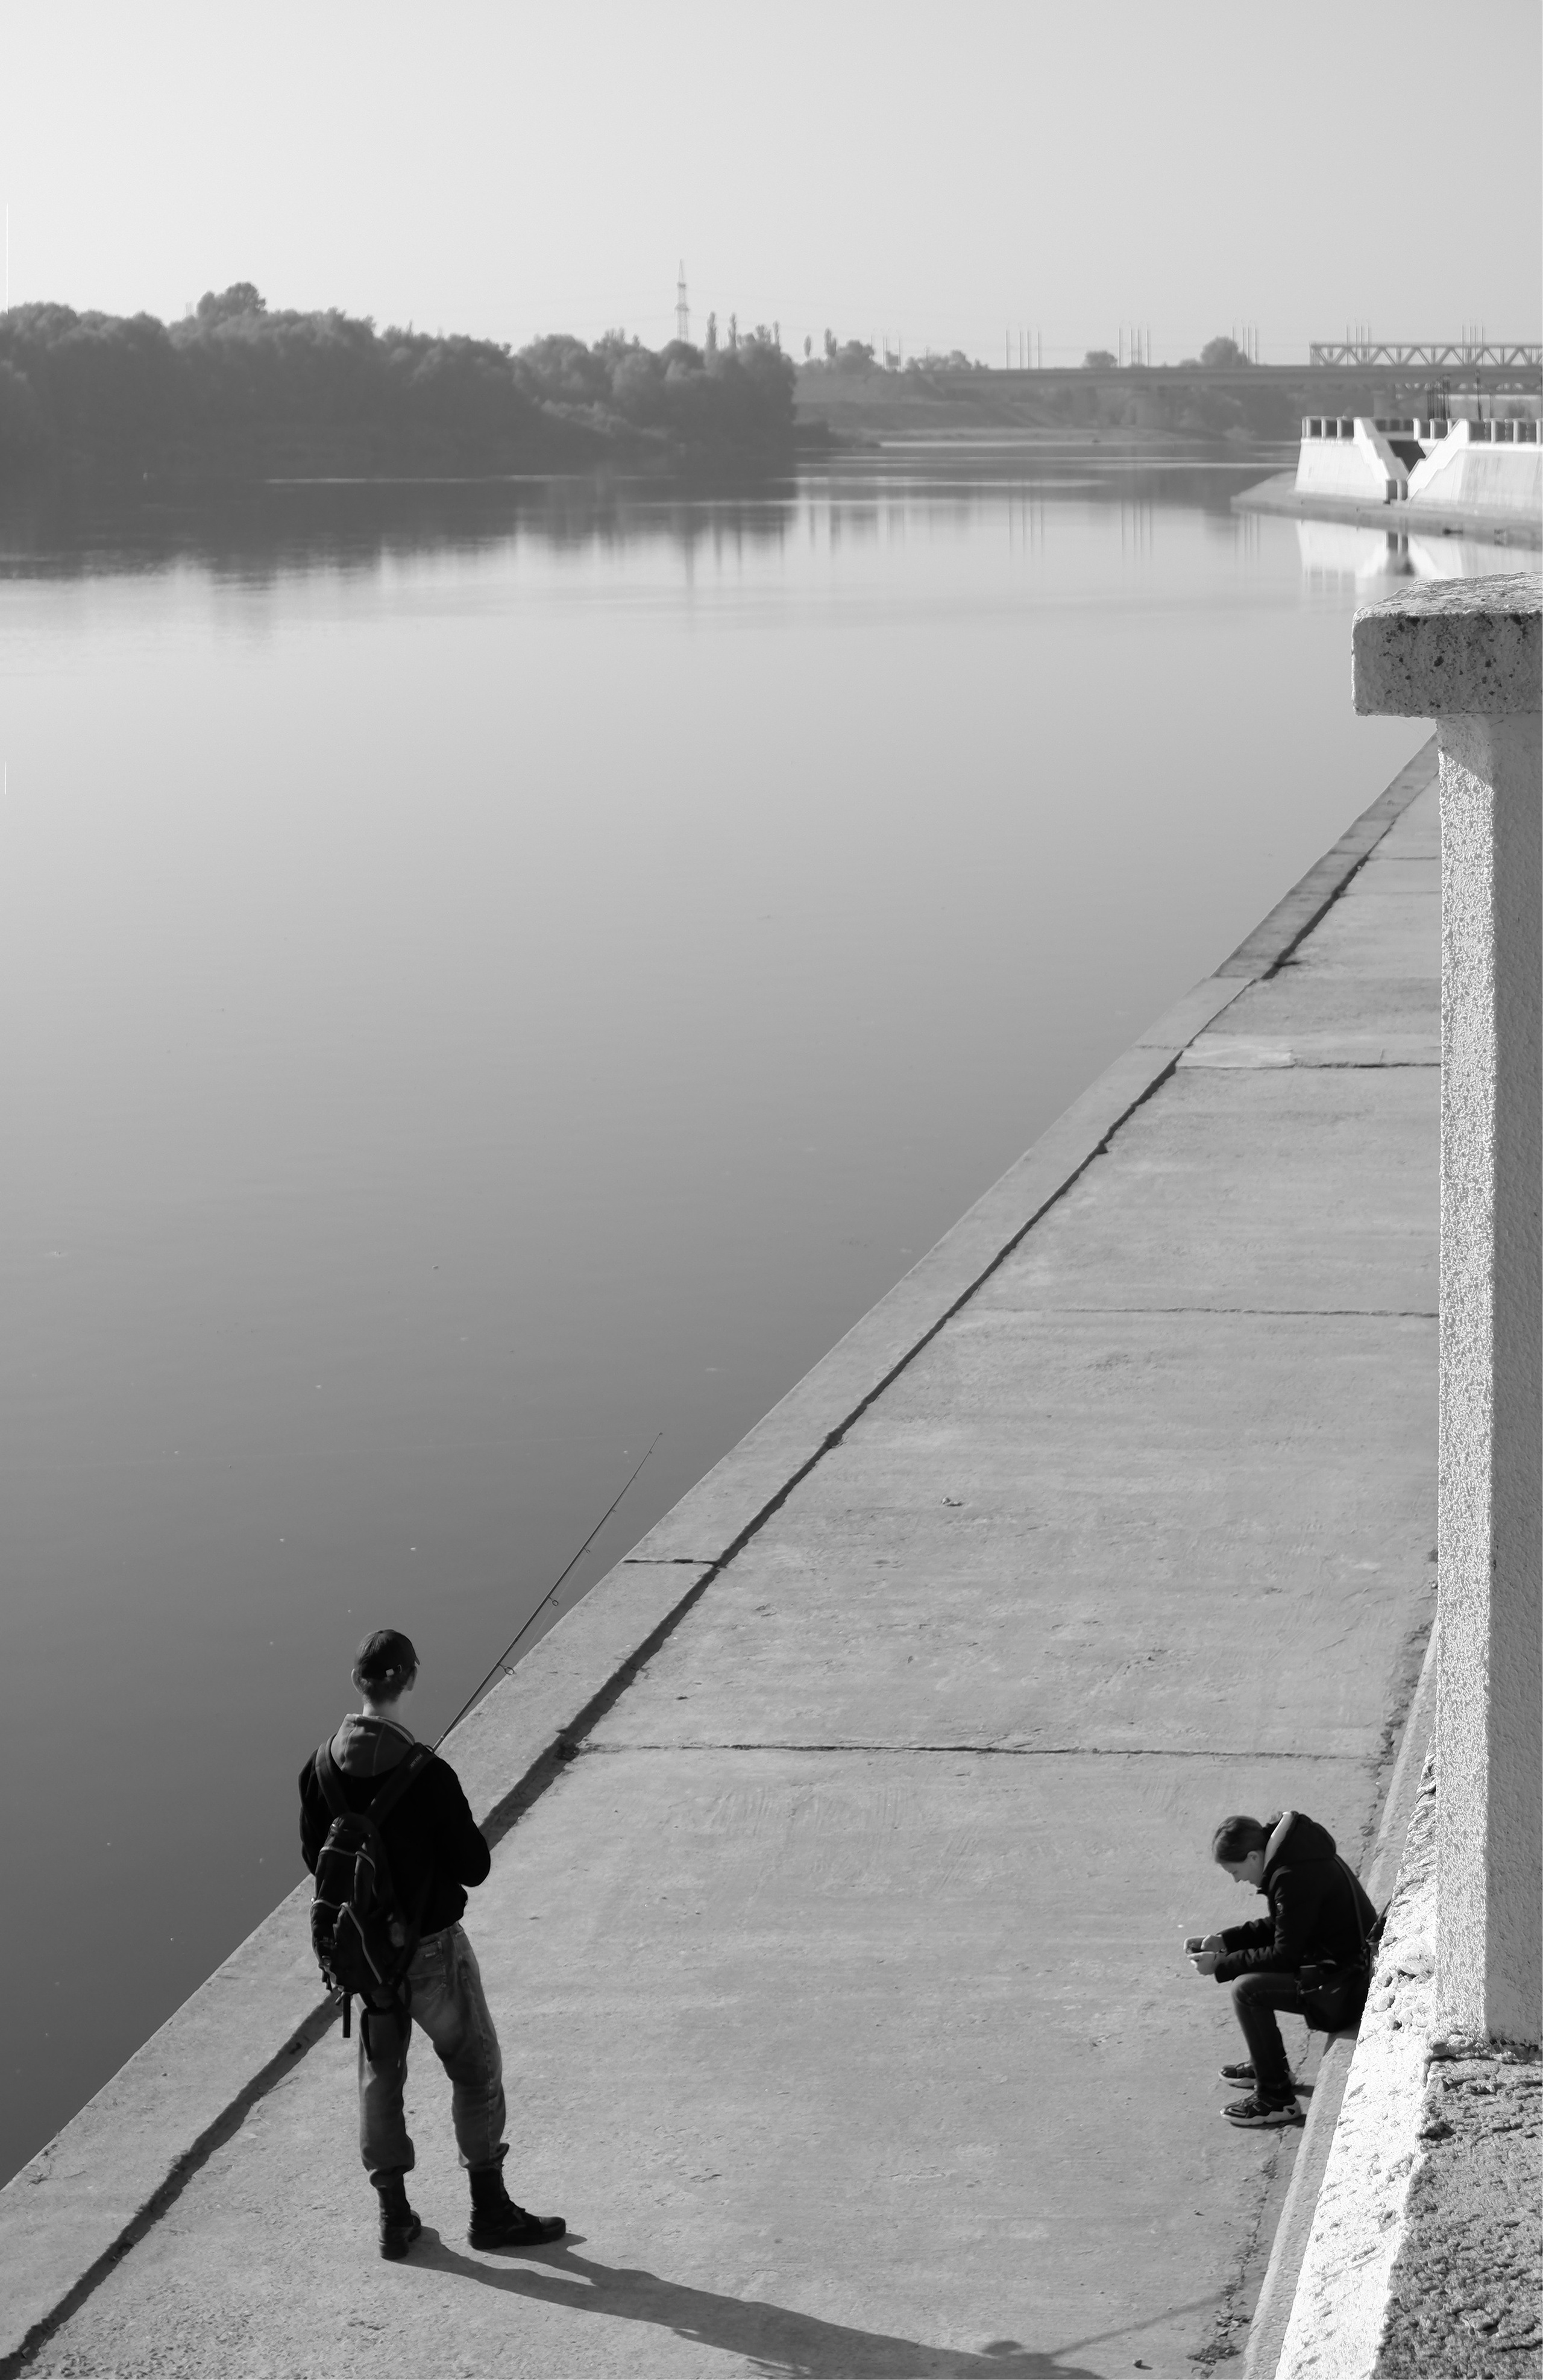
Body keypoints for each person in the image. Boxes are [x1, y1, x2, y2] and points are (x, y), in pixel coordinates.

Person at [299, 1627, 566, 2259]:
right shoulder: (428, 1773)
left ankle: (395, 2218)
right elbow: (472, 1865)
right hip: (431, 1952)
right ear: (409, 1679)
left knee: (379, 2081)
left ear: (359, 1681)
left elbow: (317, 1860)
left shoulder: (317, 1771)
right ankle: (491, 2211)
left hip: (365, 1962)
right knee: (475, 2070)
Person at [1186, 1808, 1376, 2129]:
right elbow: (1284, 1926)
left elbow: (1284, 1955)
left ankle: (1276, 2098)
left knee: (1246, 1990)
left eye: (1234, 1871)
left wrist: (1221, 1965)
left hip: (1345, 1990)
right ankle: (1268, 2066)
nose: (1237, 1880)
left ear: (1252, 1857)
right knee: (1248, 1982)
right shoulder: (1297, 1857)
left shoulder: (1292, 1876)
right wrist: (1225, 1941)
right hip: (1348, 1971)